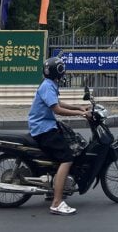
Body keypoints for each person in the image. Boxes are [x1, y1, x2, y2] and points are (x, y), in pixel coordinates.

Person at [28, 57, 89, 216]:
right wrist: (80, 113)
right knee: (67, 158)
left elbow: (58, 102)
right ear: (59, 72)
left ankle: (53, 188)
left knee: (67, 145)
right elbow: (57, 109)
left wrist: (78, 106)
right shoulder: (48, 86)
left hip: (45, 126)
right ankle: (56, 202)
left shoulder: (49, 84)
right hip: (44, 130)